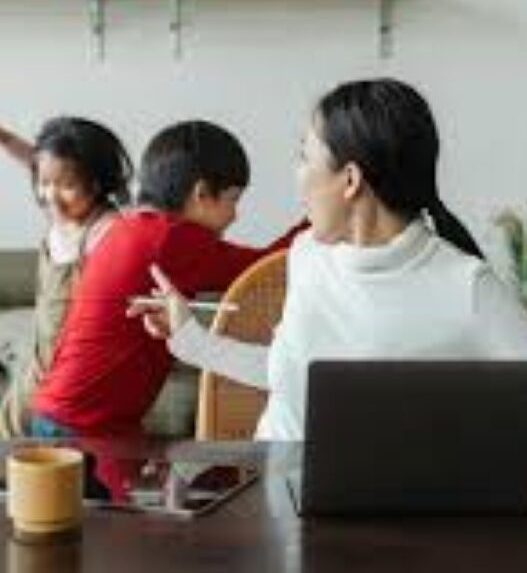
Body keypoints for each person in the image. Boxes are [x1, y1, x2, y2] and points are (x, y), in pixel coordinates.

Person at [128, 78, 527, 441]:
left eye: (304, 157)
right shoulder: (307, 255)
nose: (297, 177)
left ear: (350, 180)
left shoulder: (467, 287)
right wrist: (190, 339)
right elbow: (291, 373)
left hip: (390, 495)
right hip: (275, 485)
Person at [31, 120, 305, 438]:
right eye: (233, 199)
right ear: (201, 194)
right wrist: (318, 216)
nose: (235, 215)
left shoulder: (133, 227)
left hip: (66, 412)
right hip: (85, 425)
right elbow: (265, 267)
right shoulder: (171, 239)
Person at [0, 118, 132, 437]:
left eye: (67, 186)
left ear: (97, 183)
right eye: (43, 183)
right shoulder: (65, 211)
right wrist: (4, 138)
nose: (51, 195)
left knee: (53, 457)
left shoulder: (104, 229)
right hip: (38, 370)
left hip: (71, 384)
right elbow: (41, 163)